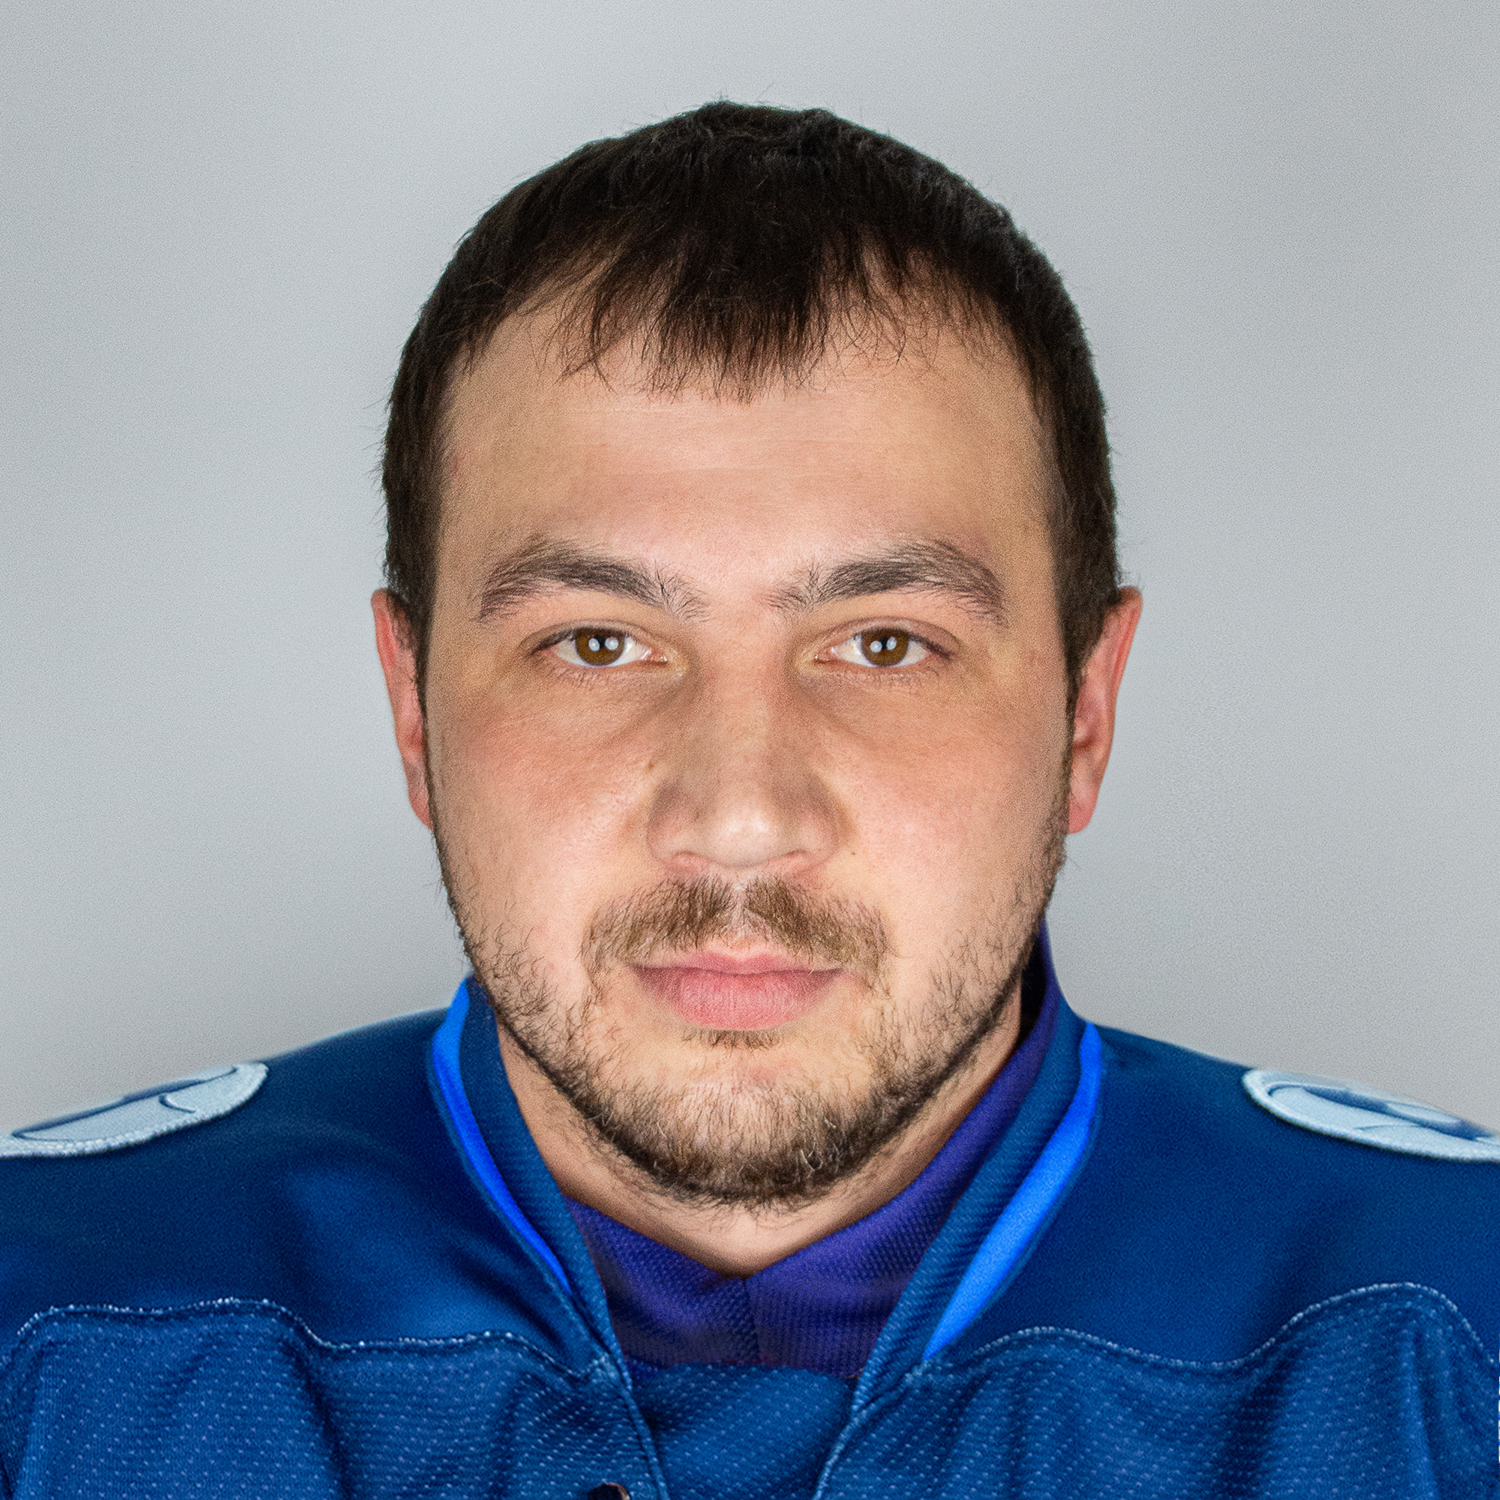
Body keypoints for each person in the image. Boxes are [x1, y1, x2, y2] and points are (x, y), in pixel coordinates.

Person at [1, 102, 1495, 1499]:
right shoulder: (46, 1326)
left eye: (884, 645)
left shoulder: (1451, 1334)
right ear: (415, 710)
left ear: (1084, 714)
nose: (737, 818)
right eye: (597, 645)